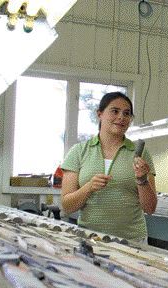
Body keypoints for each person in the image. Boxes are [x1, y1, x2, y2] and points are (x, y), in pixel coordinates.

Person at [61, 92, 157, 243]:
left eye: (127, 114)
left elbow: (150, 208)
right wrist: (89, 187)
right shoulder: (79, 151)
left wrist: (142, 180)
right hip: (89, 239)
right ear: (99, 114)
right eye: (115, 111)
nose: (121, 117)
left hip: (132, 241)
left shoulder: (140, 153)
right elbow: (67, 207)